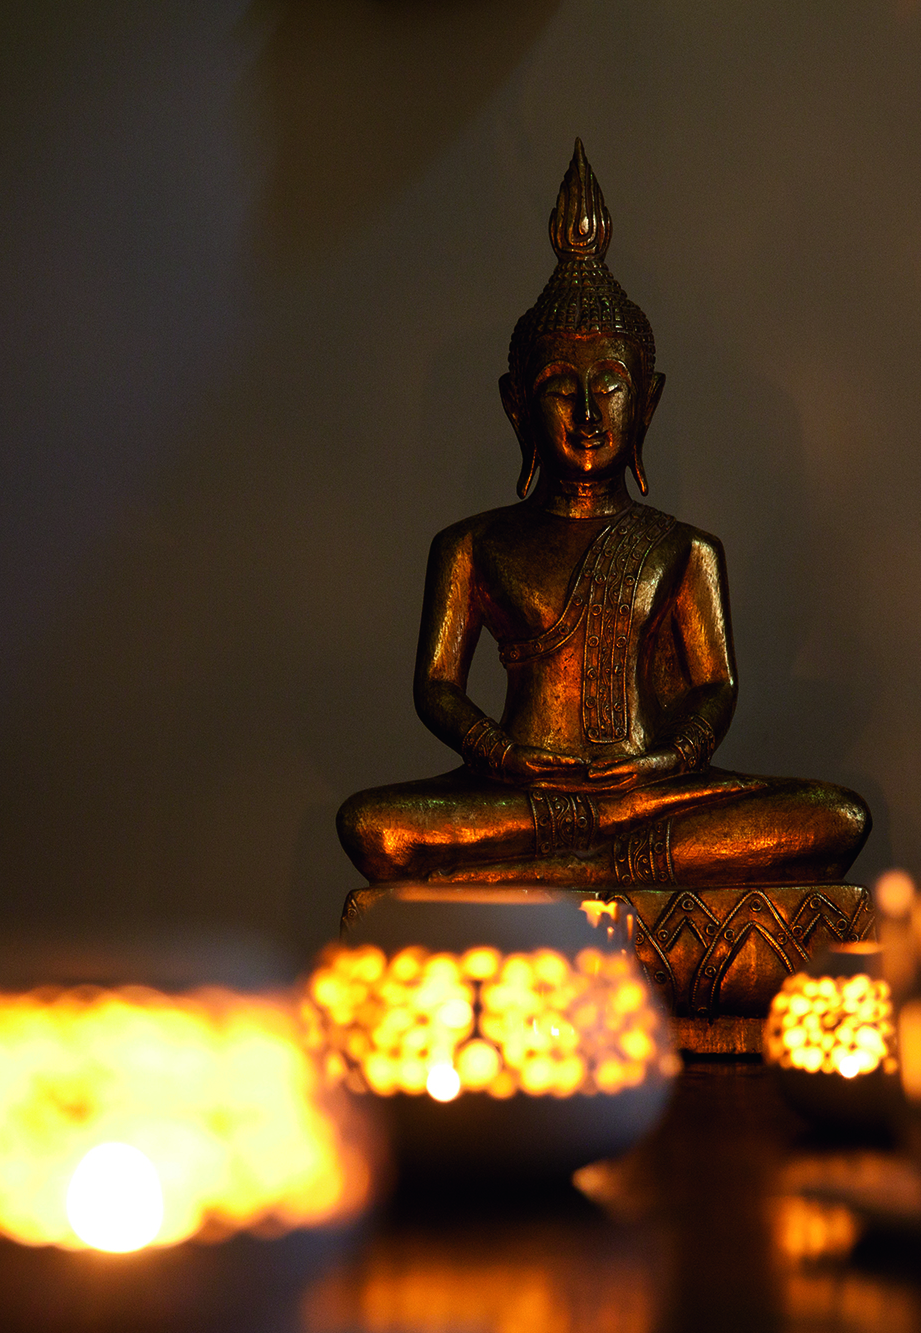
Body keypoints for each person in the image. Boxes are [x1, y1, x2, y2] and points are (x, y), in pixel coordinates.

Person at [338, 142, 869, 889]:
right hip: (520, 794)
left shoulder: (685, 551)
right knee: (377, 828)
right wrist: (501, 755)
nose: (588, 413)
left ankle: (549, 881)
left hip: (650, 794)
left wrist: (666, 763)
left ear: (646, 404)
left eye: (611, 387)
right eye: (561, 387)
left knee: (832, 816)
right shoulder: (474, 544)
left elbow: (714, 687)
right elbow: (437, 685)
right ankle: (594, 871)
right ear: (516, 405)